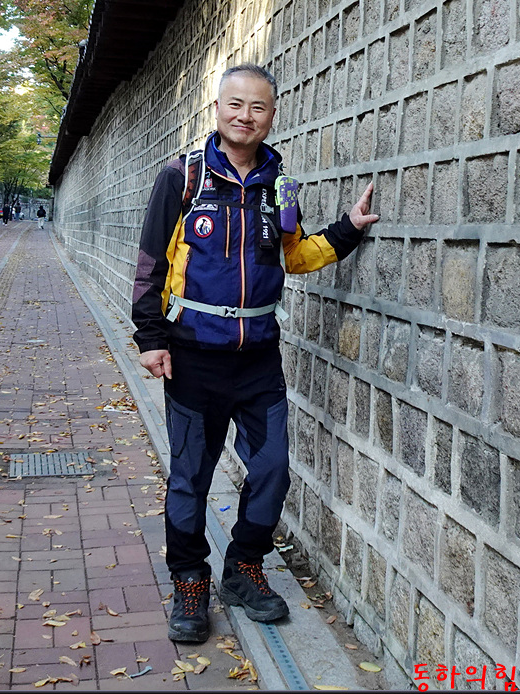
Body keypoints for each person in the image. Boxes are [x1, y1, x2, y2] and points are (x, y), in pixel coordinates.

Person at [131, 64, 378, 644]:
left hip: (259, 356)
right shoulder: (183, 176)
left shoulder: (278, 184)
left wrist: (346, 230)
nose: (245, 116)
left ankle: (244, 568)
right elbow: (151, 262)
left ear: (272, 115)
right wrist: (151, 338)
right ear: (217, 109)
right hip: (194, 353)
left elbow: (293, 254)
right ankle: (189, 580)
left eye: (258, 107)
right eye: (235, 104)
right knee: (190, 477)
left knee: (271, 470)